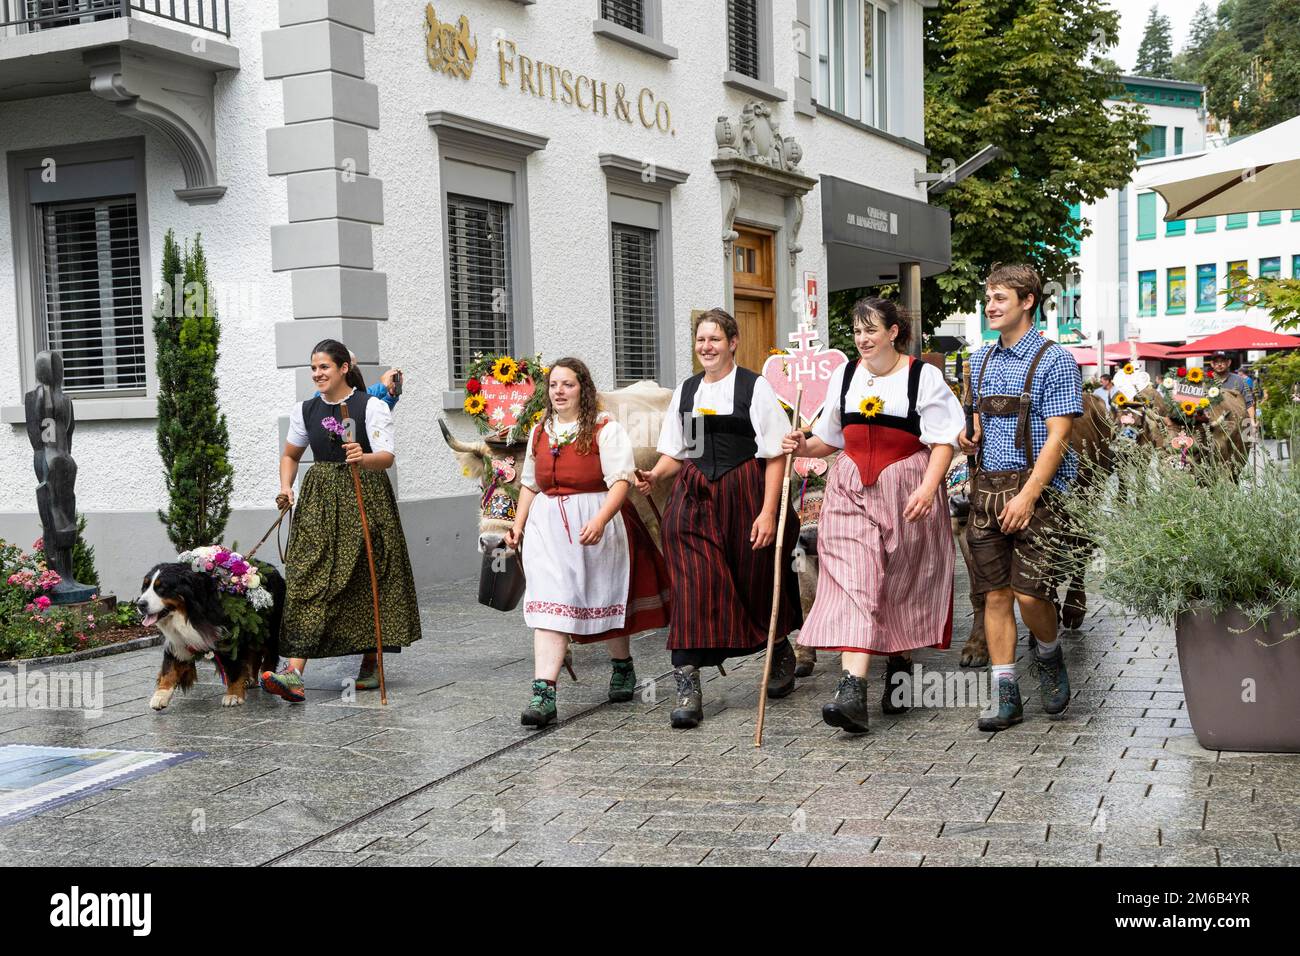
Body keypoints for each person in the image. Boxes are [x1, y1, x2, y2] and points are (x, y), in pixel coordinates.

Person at [782, 297, 964, 733]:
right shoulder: (844, 375)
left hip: (905, 488)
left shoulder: (923, 377)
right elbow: (829, 438)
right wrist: (800, 445)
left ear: (893, 332)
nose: (862, 339)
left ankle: (900, 663)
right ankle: (852, 691)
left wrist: (926, 487)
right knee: (855, 580)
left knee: (898, 581)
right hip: (849, 490)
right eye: (857, 331)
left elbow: (943, 441)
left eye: (871, 331)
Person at [636, 308, 802, 729]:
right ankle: (688, 682)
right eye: (700, 340)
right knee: (692, 583)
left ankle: (778, 644)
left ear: (732, 342)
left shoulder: (754, 388)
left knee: (755, 576)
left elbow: (776, 454)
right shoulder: (688, 392)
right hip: (694, 496)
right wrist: (655, 474)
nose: (706, 347)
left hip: (745, 492)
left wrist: (768, 513)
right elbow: (680, 450)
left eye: (714, 339)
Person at [504, 358, 671, 727]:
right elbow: (530, 483)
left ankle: (623, 666)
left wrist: (600, 519)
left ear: (584, 389)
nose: (559, 392)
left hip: (597, 521)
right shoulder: (539, 432)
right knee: (550, 603)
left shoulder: (604, 429)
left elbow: (621, 481)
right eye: (553, 386)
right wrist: (518, 527)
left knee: (603, 596)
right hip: (548, 528)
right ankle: (543, 694)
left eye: (568, 385)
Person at [262, 339, 422, 702]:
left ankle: (371, 663)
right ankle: (294, 673)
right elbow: (290, 454)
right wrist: (286, 487)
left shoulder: (372, 406)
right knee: (309, 578)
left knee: (368, 576)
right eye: (314, 368)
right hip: (319, 499)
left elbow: (386, 457)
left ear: (343, 369)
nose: (318, 374)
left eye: (324, 368)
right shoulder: (305, 410)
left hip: (365, 495)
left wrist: (362, 457)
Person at [958, 264, 1082, 732]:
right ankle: (1005, 692)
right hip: (987, 491)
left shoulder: (1055, 361)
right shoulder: (981, 359)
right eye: (988, 298)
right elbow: (977, 426)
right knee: (994, 596)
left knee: (1031, 598)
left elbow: (1059, 438)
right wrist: (968, 438)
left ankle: (1049, 656)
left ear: (1028, 301)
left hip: (1038, 496)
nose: (990, 306)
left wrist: (1028, 497)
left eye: (1000, 298)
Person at [1208, 351, 1256, 426]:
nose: (1219, 364)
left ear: (1229, 363)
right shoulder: (1207, 382)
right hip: (1213, 425)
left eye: (1222, 361)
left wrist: (1252, 422)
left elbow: (1249, 403)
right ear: (1212, 364)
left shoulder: (1239, 380)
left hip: (1237, 425)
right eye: (1216, 362)